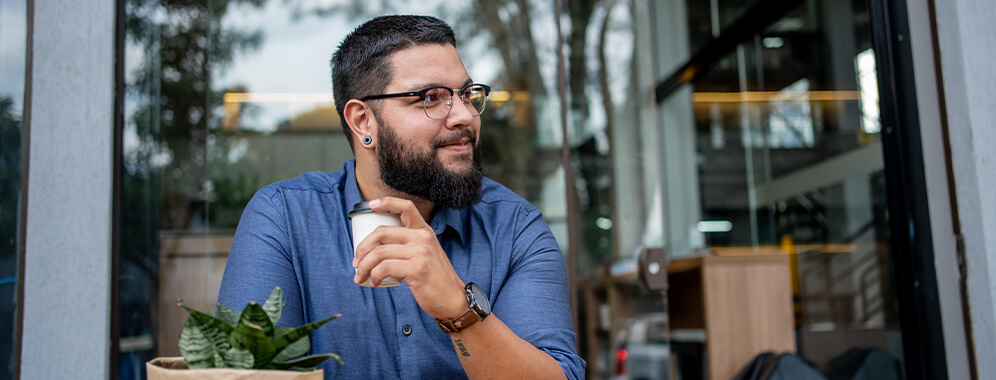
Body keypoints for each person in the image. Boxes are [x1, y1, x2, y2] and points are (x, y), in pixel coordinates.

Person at [218, 15, 584, 379]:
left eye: (466, 94)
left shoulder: (516, 229)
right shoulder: (284, 218)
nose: (464, 116)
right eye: (431, 97)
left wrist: (459, 308)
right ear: (363, 122)